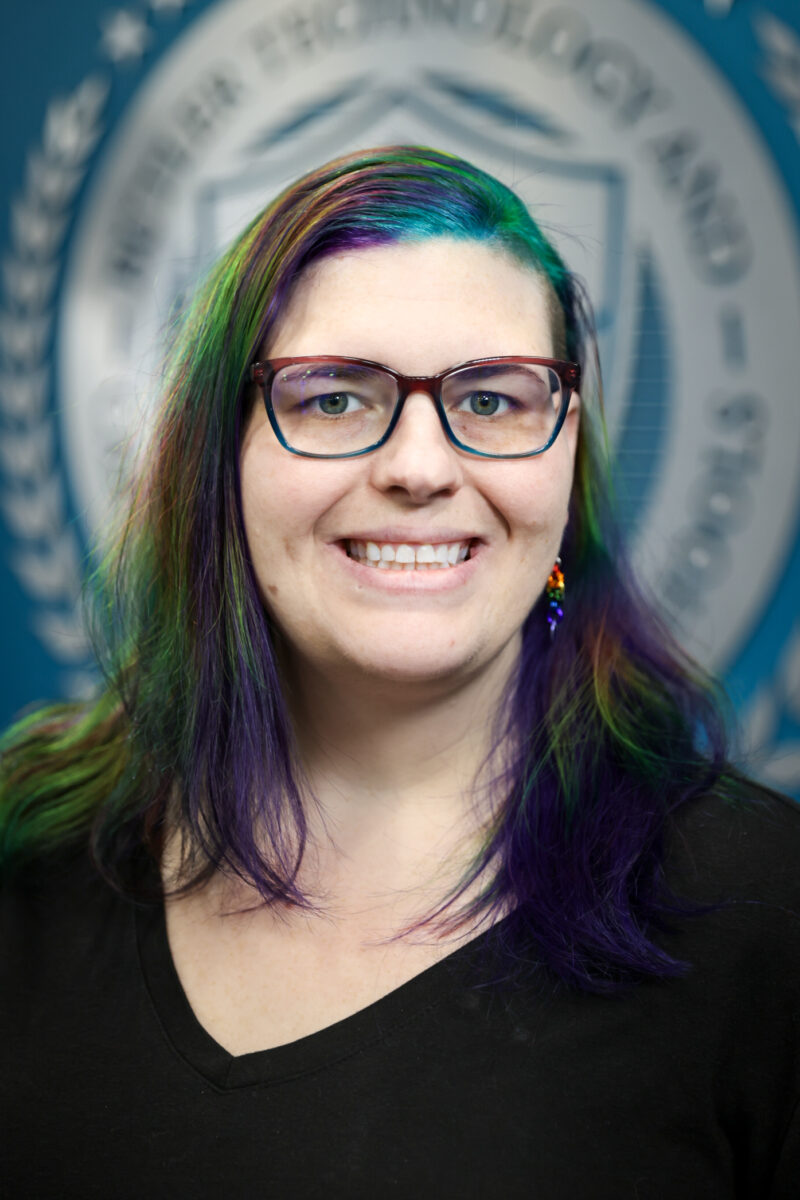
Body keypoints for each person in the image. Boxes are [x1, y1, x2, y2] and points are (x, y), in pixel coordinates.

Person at [1, 145, 799, 1198]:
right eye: (332, 398)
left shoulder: (763, 910)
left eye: (494, 400)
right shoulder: (30, 862)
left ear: (566, 462)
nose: (419, 468)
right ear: (218, 459)